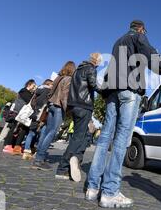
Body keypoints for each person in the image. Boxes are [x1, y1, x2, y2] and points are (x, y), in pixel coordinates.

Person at [86, 20, 161, 208]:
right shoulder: (138, 37)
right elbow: (151, 56)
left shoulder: (118, 41)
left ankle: (92, 188)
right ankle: (110, 192)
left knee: (104, 138)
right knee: (122, 138)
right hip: (129, 91)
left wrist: (105, 92)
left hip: (113, 92)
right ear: (141, 29)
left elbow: (111, 69)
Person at [56, 53, 103, 181]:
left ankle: (76, 159)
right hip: (84, 105)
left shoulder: (78, 69)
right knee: (78, 138)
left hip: (74, 106)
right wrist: (106, 91)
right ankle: (63, 168)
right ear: (97, 61)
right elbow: (93, 85)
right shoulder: (91, 69)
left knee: (82, 136)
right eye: (100, 61)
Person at [32, 61, 76, 170]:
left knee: (46, 131)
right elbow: (64, 96)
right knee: (51, 133)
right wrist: (68, 111)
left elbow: (50, 93)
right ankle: (39, 159)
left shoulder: (58, 78)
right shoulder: (69, 79)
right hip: (58, 107)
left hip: (51, 105)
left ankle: (38, 156)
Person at [2, 80, 37, 155]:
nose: (34, 87)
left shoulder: (28, 93)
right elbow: (29, 100)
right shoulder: (23, 91)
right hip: (18, 113)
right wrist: (35, 94)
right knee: (13, 129)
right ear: (29, 85)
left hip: (22, 113)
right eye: (33, 86)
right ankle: (7, 146)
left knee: (19, 130)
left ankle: (14, 146)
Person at [22, 79, 53, 160]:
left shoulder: (38, 90)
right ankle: (37, 153)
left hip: (35, 113)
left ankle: (26, 151)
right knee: (42, 134)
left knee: (31, 133)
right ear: (49, 84)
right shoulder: (48, 91)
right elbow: (46, 103)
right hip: (42, 114)